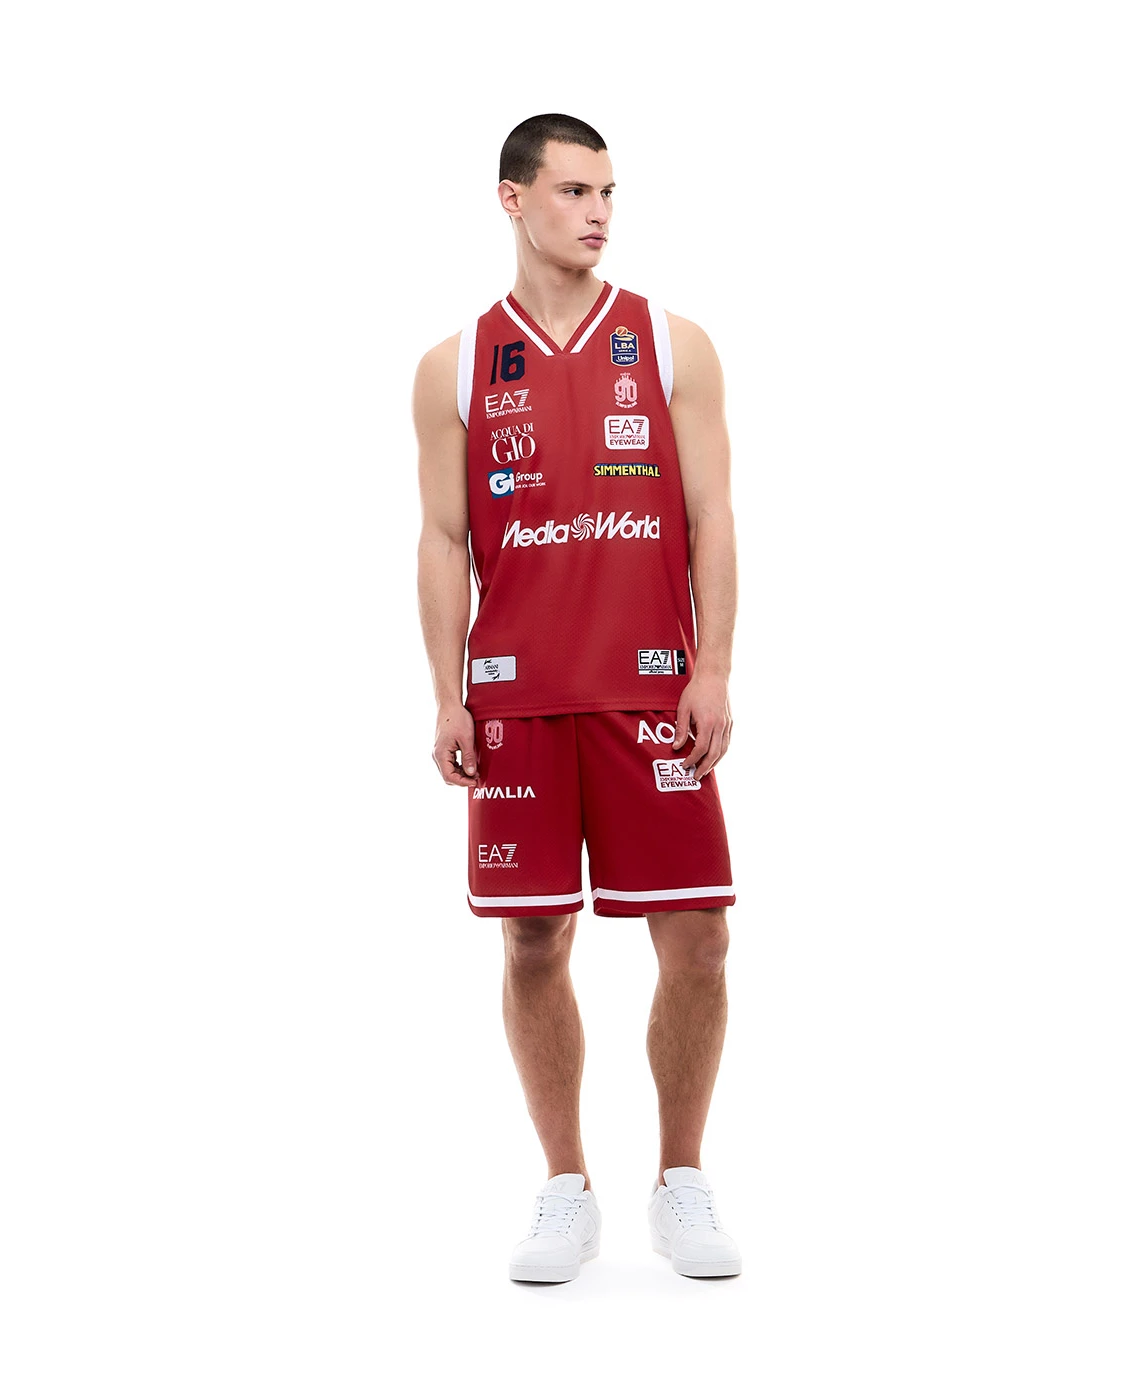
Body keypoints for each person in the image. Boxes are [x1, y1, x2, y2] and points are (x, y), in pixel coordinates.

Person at [413, 113, 742, 1283]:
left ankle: (680, 1176)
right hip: (517, 701)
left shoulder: (670, 342)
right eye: (570, 190)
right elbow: (442, 537)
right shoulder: (454, 364)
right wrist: (447, 694)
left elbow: (710, 515)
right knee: (531, 936)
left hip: (647, 691)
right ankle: (565, 1185)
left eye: (606, 191)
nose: (596, 211)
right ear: (512, 199)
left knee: (697, 936)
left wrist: (712, 666)